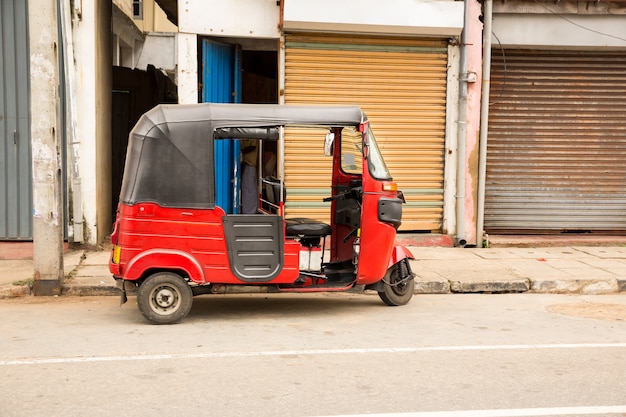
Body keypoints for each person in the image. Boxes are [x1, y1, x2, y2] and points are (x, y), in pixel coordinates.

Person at [241, 140, 258, 214]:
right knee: (246, 188)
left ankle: (250, 212)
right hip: (246, 164)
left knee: (250, 189)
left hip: (250, 164)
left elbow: (253, 146)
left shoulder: (253, 133)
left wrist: (241, 151)